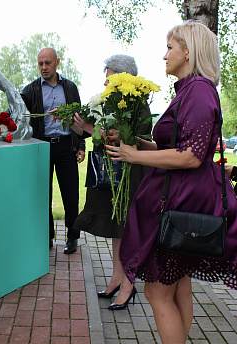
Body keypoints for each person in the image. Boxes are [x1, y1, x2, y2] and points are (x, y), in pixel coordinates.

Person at [105, 20, 237, 343]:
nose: (164, 56)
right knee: (178, 288)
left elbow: (191, 156)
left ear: (188, 52)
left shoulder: (199, 92)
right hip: (186, 197)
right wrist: (135, 144)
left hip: (185, 201)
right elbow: (177, 149)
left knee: (156, 293)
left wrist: (135, 157)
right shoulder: (192, 91)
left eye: (169, 48)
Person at [68, 54, 151, 309]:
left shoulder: (138, 102)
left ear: (124, 77)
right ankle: (117, 277)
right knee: (116, 227)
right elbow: (102, 135)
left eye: (109, 78)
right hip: (112, 172)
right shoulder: (110, 103)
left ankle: (128, 283)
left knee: (126, 228)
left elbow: (137, 138)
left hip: (130, 173)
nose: (105, 84)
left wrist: (97, 131)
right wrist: (82, 127)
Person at [21, 47, 85, 253]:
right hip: (42, 148)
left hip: (66, 146)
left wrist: (81, 146)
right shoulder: (30, 90)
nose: (44, 67)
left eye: (48, 63)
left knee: (70, 195)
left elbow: (79, 120)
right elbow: (19, 116)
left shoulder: (70, 88)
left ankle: (72, 238)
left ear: (57, 62)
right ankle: (46, 237)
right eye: (40, 64)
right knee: (43, 196)